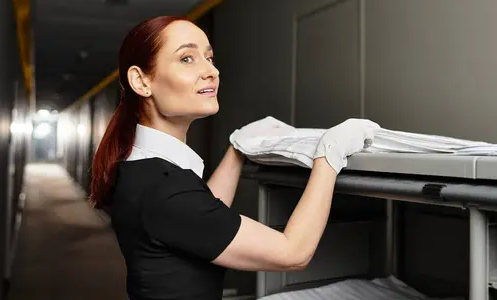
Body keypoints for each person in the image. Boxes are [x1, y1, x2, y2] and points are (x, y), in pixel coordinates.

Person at [89, 16, 377, 300]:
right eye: (187, 59)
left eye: (209, 57)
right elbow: (292, 253)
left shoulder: (143, 167)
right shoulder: (163, 189)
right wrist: (329, 154)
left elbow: (199, 217)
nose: (211, 71)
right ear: (141, 81)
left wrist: (236, 149)